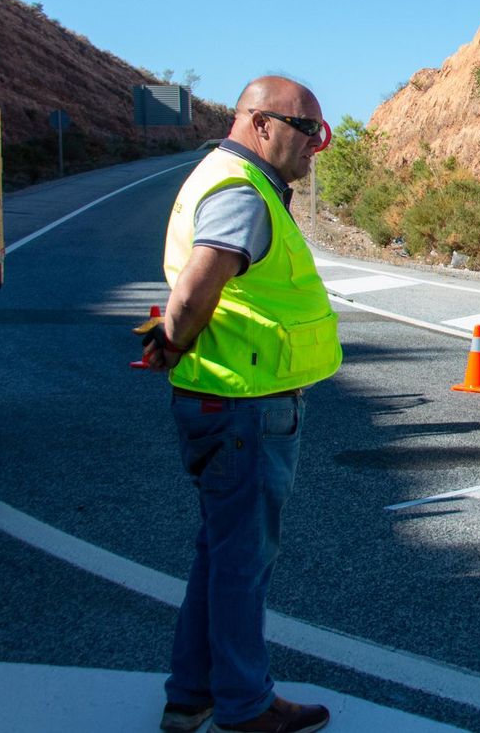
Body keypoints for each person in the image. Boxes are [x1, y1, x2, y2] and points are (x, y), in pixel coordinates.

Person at [144, 76, 341, 733]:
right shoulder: (241, 191)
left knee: (220, 552)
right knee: (241, 565)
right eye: (308, 131)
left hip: (225, 401)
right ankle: (244, 705)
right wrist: (174, 336)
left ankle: (191, 692)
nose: (316, 147)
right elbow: (201, 281)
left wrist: (174, 342)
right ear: (261, 122)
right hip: (244, 405)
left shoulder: (219, 176)